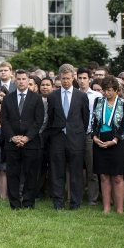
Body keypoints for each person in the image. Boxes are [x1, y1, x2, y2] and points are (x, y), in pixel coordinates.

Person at [46, 63, 90, 210]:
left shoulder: (82, 96)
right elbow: (50, 118)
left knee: (76, 173)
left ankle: (75, 203)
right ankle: (58, 203)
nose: (65, 81)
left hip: (75, 139)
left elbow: (85, 119)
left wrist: (77, 133)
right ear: (59, 78)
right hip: (57, 138)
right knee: (57, 172)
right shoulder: (52, 96)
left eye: (68, 78)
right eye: (63, 78)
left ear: (73, 78)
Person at [0, 70, 44, 210]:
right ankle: (14, 204)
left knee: (31, 174)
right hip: (12, 143)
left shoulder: (36, 99)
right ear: (15, 80)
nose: (21, 81)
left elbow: (39, 121)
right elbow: (4, 120)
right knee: (13, 174)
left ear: (28, 80)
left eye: (24, 79)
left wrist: (27, 137)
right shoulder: (8, 99)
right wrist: (12, 137)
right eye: (18, 79)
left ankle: (28, 203)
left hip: (31, 143)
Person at [91, 75, 124, 213]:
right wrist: (94, 137)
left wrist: (114, 141)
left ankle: (119, 208)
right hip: (100, 140)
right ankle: (106, 207)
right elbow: (94, 121)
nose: (106, 93)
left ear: (116, 90)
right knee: (103, 175)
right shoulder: (98, 101)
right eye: (104, 90)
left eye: (109, 90)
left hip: (117, 142)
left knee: (118, 176)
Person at [76, 67, 103, 206]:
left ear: (90, 79)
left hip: (90, 135)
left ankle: (92, 198)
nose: (82, 81)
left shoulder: (97, 96)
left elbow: (99, 117)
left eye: (84, 78)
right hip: (75, 135)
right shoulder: (73, 94)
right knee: (76, 168)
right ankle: (76, 196)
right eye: (79, 78)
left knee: (92, 169)